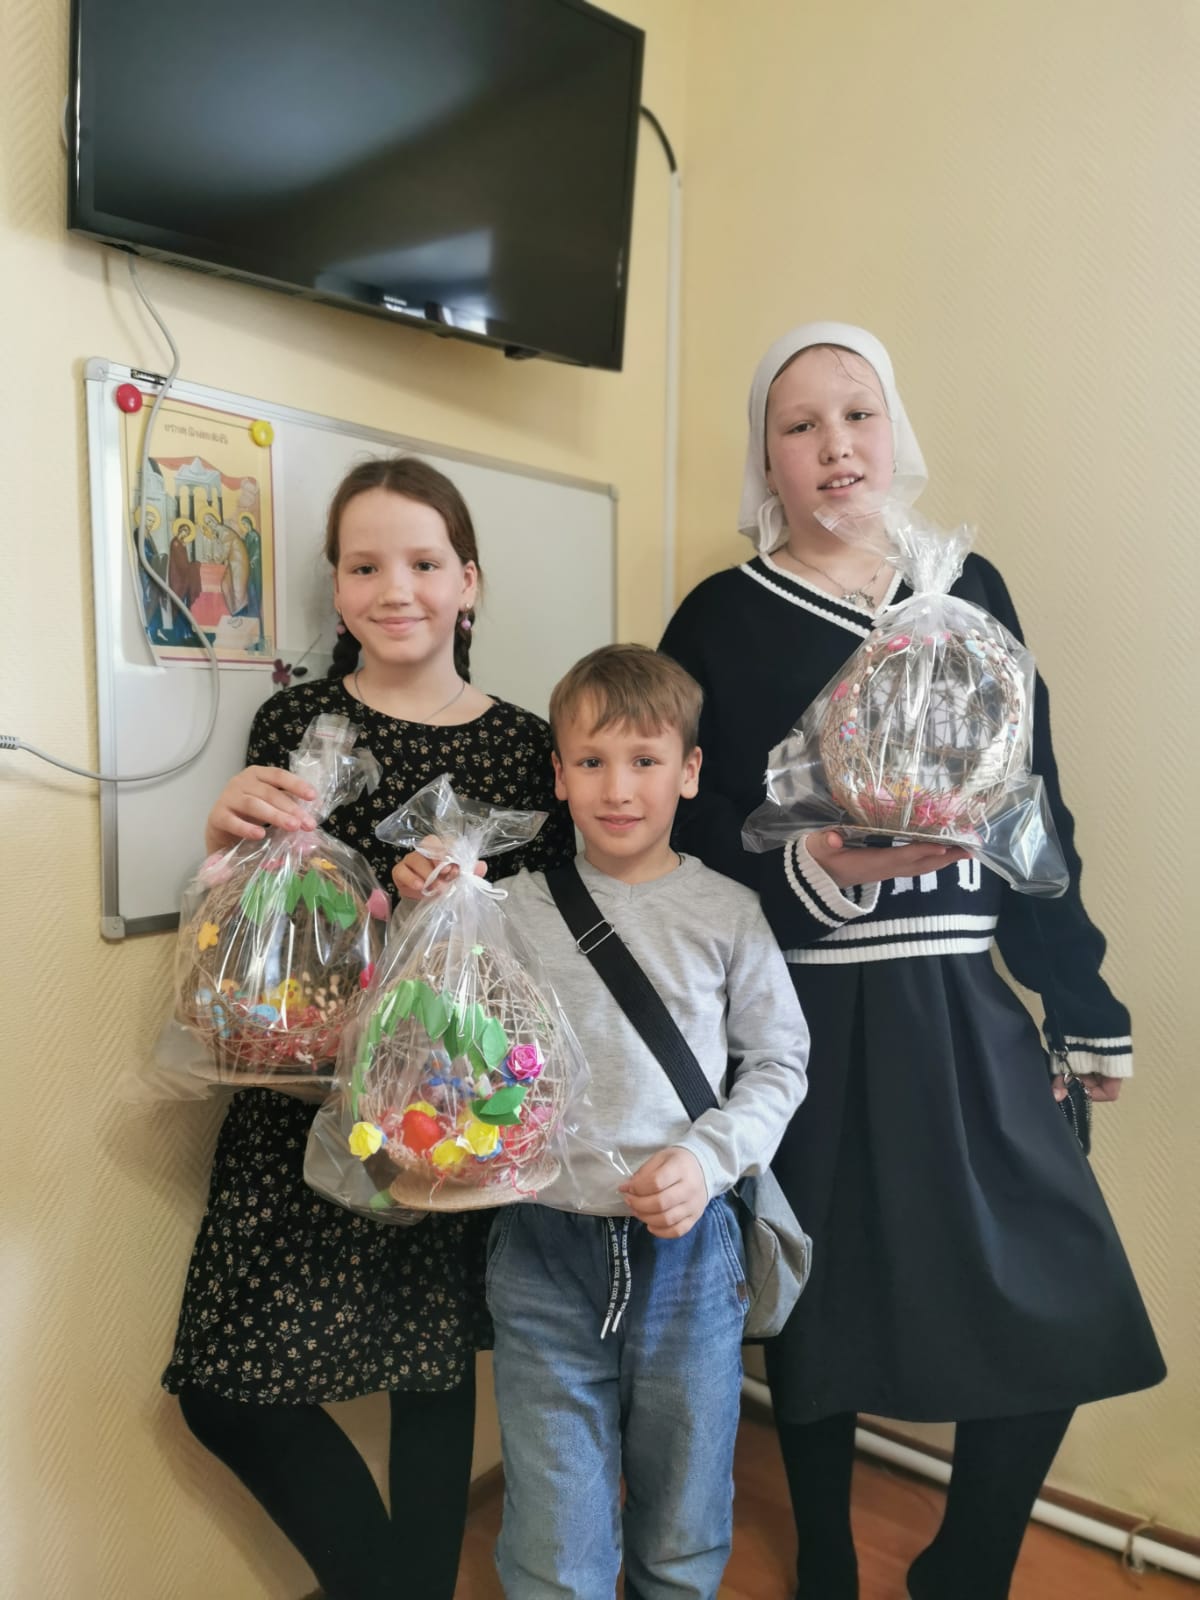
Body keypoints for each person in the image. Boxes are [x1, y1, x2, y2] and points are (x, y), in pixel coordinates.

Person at [659, 323, 1165, 1600]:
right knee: (818, 1303)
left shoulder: (967, 587)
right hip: (803, 1006)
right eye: (799, 425)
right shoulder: (720, 615)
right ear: (765, 458)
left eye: (859, 414)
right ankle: (826, 1557)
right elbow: (686, 824)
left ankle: (968, 1565)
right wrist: (813, 864)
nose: (835, 446)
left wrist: (1078, 995)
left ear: (896, 433)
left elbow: (1034, 799)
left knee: (1057, 1284)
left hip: (959, 994)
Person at [162, 456, 575, 1600]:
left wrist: (467, 900)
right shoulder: (296, 720)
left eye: (425, 562)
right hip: (298, 1103)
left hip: (447, 1119)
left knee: (430, 1375)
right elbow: (259, 920)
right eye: (364, 566)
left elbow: (549, 942)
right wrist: (224, 843)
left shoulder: (526, 742)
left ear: (469, 582)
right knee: (225, 1391)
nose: (396, 589)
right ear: (336, 587)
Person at [489, 643, 810, 1600]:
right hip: (542, 1247)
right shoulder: (505, 911)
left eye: (644, 760)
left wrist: (707, 1160)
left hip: (692, 1257)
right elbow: (455, 1050)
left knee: (682, 1527)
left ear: (689, 770)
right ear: (559, 774)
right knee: (554, 1542)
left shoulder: (729, 913)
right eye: (591, 761)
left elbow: (779, 1064)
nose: (618, 788)